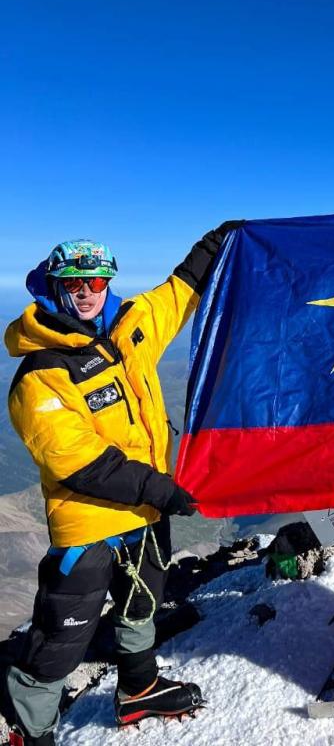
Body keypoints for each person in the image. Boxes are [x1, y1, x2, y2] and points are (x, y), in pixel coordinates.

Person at [3, 222, 242, 746]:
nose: (87, 292)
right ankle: (31, 728)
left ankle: (138, 689)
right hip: (89, 525)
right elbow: (78, 462)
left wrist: (221, 239)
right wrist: (161, 490)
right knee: (62, 636)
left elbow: (180, 291)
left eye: (97, 281)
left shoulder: (131, 328)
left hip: (146, 513)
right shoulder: (40, 374)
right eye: (75, 282)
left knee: (143, 605)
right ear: (53, 284)